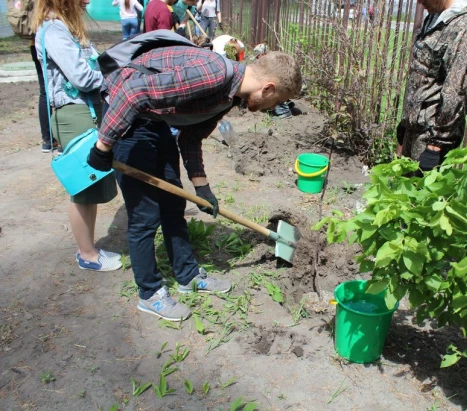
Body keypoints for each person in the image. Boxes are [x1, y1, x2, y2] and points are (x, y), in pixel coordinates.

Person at [86, 47, 302, 321]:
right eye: (275, 102)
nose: (271, 109)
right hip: (128, 118)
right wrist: (103, 146)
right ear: (268, 88)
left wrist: (202, 187)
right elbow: (133, 94)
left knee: (174, 205)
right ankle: (150, 293)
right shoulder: (212, 74)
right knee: (145, 216)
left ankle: (187, 274)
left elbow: (190, 137)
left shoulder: (228, 97)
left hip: (154, 118)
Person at [32, 0, 122, 271]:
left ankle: (89, 248)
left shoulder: (65, 29)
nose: (87, 2)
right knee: (83, 186)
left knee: (91, 184)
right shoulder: (55, 31)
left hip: (83, 112)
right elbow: (82, 77)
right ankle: (87, 255)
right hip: (73, 114)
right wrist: (116, 78)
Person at [396, 0, 467, 172]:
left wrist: (436, 144)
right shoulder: (436, 17)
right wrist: (405, 123)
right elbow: (423, 76)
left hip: (431, 136)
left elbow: (457, 91)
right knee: (402, 191)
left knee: (423, 193)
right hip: (415, 127)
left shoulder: (464, 27)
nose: (420, 2)